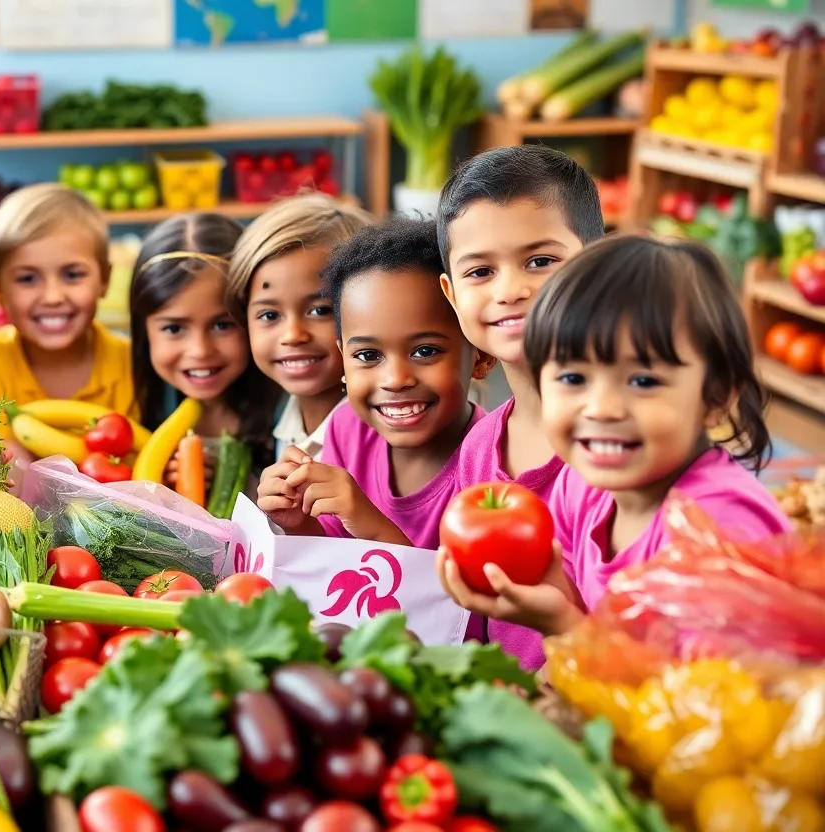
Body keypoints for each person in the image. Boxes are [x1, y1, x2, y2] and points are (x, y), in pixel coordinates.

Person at [439, 234, 791, 636]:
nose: (602, 408)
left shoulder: (718, 531)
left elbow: (699, 694)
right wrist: (565, 603)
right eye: (573, 378)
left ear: (715, 397)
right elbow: (599, 632)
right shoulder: (581, 486)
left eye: (642, 381)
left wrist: (563, 627)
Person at [436, 144, 606, 669]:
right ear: (451, 294)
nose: (511, 289)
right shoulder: (480, 447)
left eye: (540, 261)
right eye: (479, 272)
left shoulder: (619, 445)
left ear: (598, 267)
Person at [257, 216, 494, 549]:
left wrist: (370, 525)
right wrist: (300, 526)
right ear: (343, 358)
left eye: (425, 351)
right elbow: (335, 565)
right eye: (368, 356)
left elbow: (459, 599)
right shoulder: (347, 429)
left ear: (480, 356)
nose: (395, 380)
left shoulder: (493, 459)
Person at [0, 183, 136, 443]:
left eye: (72, 275)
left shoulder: (129, 362)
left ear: (105, 279)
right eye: (28, 278)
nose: (53, 297)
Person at [131, 213, 279, 479]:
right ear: (144, 331)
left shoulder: (285, 409)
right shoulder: (134, 405)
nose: (200, 350)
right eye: (174, 329)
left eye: (222, 325)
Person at [229, 194, 374, 461]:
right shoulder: (280, 417)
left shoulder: (382, 433)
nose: (293, 335)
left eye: (320, 310)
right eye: (270, 314)